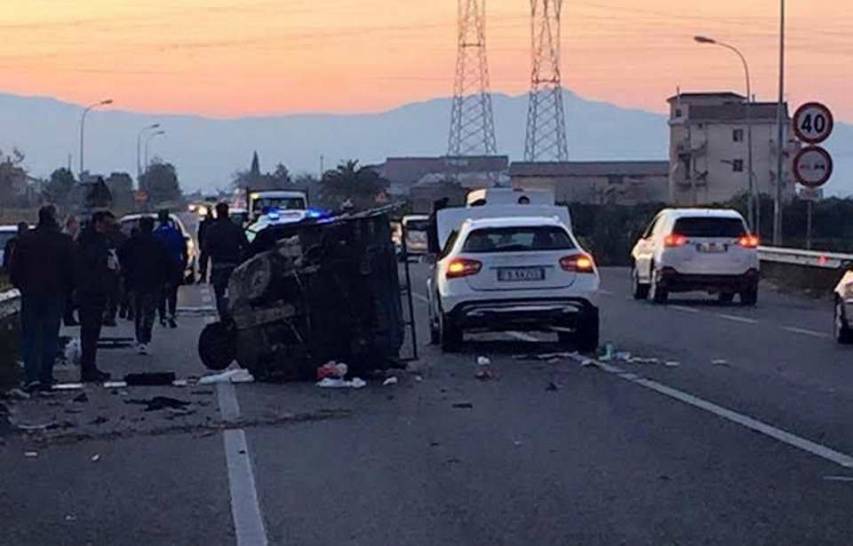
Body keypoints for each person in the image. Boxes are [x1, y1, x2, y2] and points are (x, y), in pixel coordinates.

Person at [10, 207, 74, 391]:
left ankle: (31, 376)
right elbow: (72, 269)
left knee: (30, 335)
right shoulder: (63, 241)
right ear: (54, 218)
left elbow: (14, 268)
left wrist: (22, 286)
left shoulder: (25, 240)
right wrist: (68, 291)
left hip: (31, 293)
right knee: (50, 335)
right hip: (55, 294)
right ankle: (46, 375)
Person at [74, 211, 115, 383]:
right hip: (89, 291)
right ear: (98, 223)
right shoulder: (89, 241)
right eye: (107, 224)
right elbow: (90, 262)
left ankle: (90, 367)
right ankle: (88, 369)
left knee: (92, 332)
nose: (109, 228)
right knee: (89, 332)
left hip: (96, 290)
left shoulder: (97, 239)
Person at [119, 217, 169, 355]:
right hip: (153, 282)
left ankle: (140, 338)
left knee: (138, 311)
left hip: (135, 281)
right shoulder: (158, 243)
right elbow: (165, 262)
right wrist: (165, 279)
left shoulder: (131, 242)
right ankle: (146, 336)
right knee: (149, 311)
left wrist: (126, 273)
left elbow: (121, 256)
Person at [203, 202, 249, 318]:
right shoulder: (236, 228)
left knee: (219, 295)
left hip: (218, 266)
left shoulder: (211, 230)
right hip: (235, 266)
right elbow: (246, 246)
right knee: (236, 294)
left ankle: (223, 317)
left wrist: (203, 270)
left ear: (217, 213)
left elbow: (205, 250)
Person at [153, 210, 187, 329]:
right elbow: (184, 249)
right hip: (174, 264)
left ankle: (162, 316)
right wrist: (184, 264)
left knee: (161, 292)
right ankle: (171, 314)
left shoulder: (156, 234)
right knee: (173, 292)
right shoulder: (175, 233)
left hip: (160, 266)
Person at [62, 216, 80, 326]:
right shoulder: (66, 238)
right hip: (66, 273)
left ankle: (69, 316)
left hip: (70, 272)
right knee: (68, 297)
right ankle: (67, 317)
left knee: (70, 297)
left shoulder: (73, 237)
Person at [197, 208, 214, 284]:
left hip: (212, 245)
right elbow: (199, 234)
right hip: (206, 244)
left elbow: (199, 234)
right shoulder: (204, 223)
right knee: (203, 261)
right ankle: (203, 276)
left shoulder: (213, 223)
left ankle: (209, 277)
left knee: (212, 262)